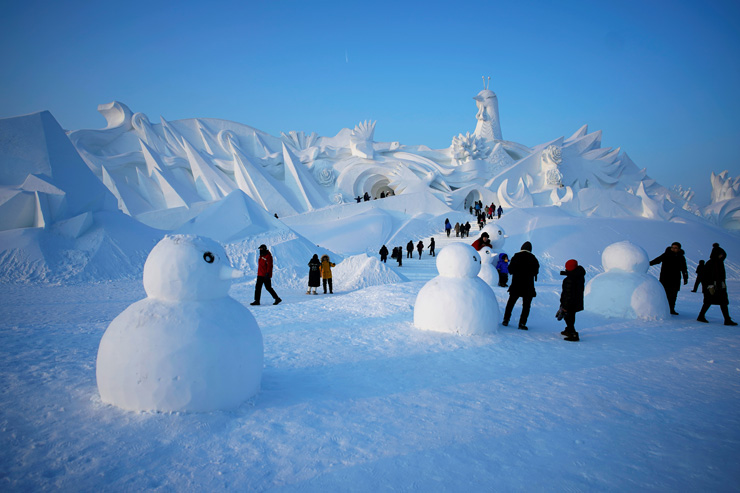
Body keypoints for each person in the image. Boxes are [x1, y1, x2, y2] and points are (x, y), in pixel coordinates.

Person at [502, 241, 539, 330]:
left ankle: (506, 320)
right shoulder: (533, 258)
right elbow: (536, 272)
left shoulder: (516, 256)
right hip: (528, 286)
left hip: (516, 284)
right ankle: (522, 323)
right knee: (526, 306)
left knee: (510, 303)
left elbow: (510, 270)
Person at [697, 243, 737, 325]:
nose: (722, 256)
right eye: (721, 255)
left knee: (723, 302)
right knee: (709, 302)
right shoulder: (711, 263)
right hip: (712, 286)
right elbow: (705, 276)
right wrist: (710, 285)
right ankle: (701, 316)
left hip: (720, 286)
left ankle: (727, 319)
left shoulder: (719, 263)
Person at [649, 242, 688, 315]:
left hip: (675, 279)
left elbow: (684, 268)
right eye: (672, 247)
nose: (673, 249)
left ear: (679, 249)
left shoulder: (681, 257)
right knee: (664, 294)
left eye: (675, 248)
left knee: (673, 295)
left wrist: (685, 278)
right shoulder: (666, 255)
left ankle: (671, 309)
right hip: (665, 278)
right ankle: (662, 309)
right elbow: (657, 260)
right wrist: (647, 264)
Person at [558, 259, 586, 342]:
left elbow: (568, 294)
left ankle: (573, 334)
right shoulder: (578, 276)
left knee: (568, 317)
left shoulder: (570, 280)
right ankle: (568, 330)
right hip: (576, 301)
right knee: (570, 316)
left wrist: (565, 306)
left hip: (570, 303)